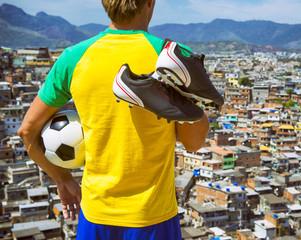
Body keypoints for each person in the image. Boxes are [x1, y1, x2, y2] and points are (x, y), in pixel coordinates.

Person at [17, 0, 210, 239]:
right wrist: (195, 111)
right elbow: (193, 143)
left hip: (96, 215)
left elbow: (26, 131)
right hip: (152, 215)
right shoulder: (173, 56)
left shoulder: (73, 57)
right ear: (150, 2)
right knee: (193, 111)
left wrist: (63, 179)